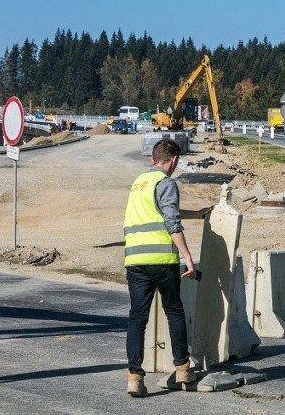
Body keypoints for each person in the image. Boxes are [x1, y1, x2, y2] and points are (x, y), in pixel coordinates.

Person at [123, 138, 211, 397]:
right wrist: (187, 257)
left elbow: (159, 211)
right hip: (161, 260)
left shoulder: (139, 184)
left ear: (153, 158)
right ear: (173, 160)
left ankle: (135, 377)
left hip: (135, 261)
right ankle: (183, 368)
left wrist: (197, 214)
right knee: (174, 311)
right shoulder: (167, 182)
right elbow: (171, 221)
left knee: (137, 318)